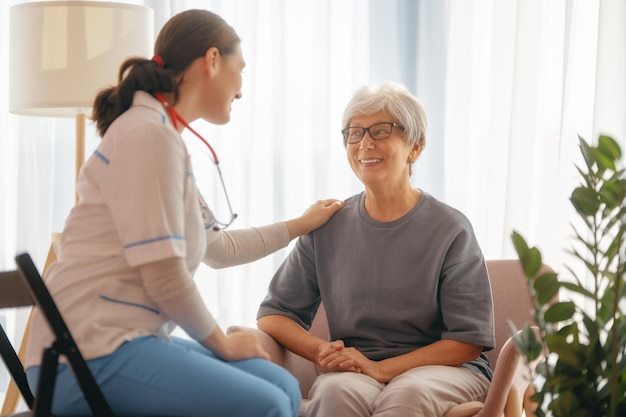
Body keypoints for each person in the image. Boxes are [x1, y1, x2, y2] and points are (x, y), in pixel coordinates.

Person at [24, 9, 343, 417]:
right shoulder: (148, 136)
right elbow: (163, 273)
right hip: (86, 355)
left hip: (114, 343)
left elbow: (218, 248)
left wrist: (301, 224)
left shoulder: (161, 136)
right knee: (266, 403)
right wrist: (222, 343)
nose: (241, 89)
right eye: (239, 69)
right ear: (212, 60)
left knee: (280, 383)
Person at [257, 81, 495, 417]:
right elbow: (274, 315)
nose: (365, 143)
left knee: (407, 395)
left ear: (416, 147)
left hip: (445, 372)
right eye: (354, 133)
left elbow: (467, 341)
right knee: (335, 391)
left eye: (381, 131)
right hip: (356, 369)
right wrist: (323, 351)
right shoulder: (326, 227)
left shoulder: (451, 228)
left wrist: (383, 369)